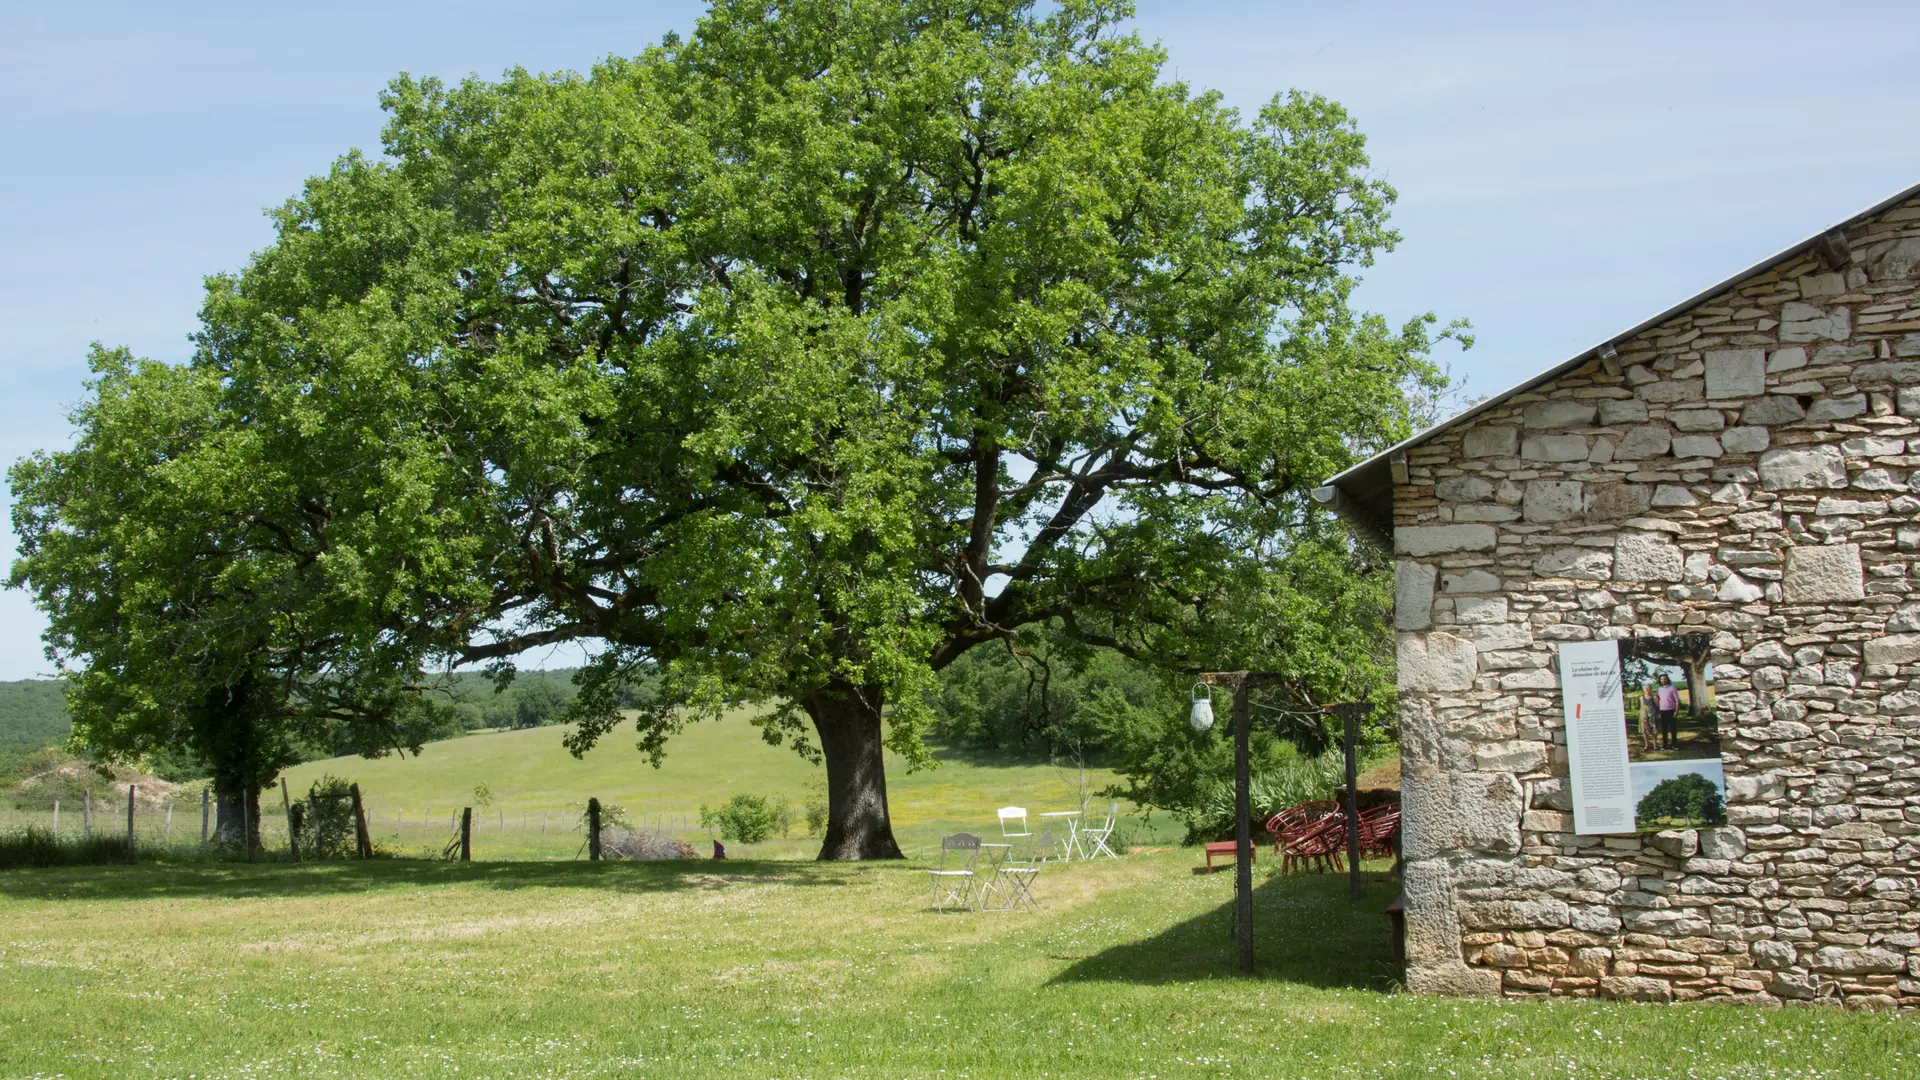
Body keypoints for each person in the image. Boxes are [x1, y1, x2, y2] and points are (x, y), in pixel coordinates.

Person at [1655, 674, 1681, 750]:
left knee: (1673, 728)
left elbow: (1677, 700)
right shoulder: (1659, 689)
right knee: (1664, 729)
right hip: (1663, 711)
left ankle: (1674, 745)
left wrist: (1676, 711)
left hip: (1671, 710)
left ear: (1667, 679)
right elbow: (1656, 697)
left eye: (1665, 679)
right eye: (1662, 679)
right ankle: (1664, 745)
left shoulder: (1672, 688)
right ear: (1660, 680)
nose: (1663, 680)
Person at [1640, 682, 1659, 753]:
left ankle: (1655, 745)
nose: (1647, 689)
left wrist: (1656, 714)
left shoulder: (1654, 697)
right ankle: (1646, 745)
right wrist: (1645, 713)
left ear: (1651, 689)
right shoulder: (1642, 697)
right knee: (1645, 731)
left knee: (1654, 731)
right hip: (1645, 716)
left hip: (1653, 716)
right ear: (1643, 689)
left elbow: (1658, 706)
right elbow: (1642, 706)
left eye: (1648, 688)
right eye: (1645, 688)